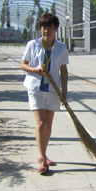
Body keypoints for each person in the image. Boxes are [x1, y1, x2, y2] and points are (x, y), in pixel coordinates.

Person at [20, 13, 69, 174]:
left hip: (53, 90)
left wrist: (64, 91)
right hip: (35, 88)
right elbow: (23, 65)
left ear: (55, 29)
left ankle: (44, 154)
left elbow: (64, 71)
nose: (45, 31)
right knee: (41, 123)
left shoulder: (61, 48)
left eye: (49, 27)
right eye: (43, 27)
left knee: (48, 124)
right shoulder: (32, 45)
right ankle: (42, 159)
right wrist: (35, 70)